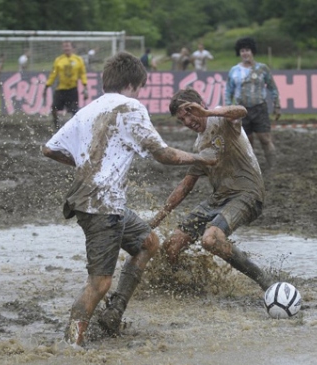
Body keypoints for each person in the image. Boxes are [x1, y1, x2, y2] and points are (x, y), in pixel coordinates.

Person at [42, 52, 216, 347]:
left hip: (102, 203)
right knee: (99, 283)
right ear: (135, 83)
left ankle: (115, 312)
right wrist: (201, 157)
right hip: (101, 206)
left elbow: (49, 149)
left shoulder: (88, 109)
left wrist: (88, 163)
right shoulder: (130, 106)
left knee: (149, 242)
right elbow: (164, 154)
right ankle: (72, 344)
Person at [100, 88, 274, 335]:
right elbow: (185, 186)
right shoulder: (199, 143)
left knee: (211, 239)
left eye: (189, 113)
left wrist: (207, 111)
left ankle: (264, 280)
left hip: (248, 193)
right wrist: (156, 221)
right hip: (219, 198)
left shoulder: (223, 120)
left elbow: (241, 111)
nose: (188, 121)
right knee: (171, 246)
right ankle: (184, 285)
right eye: (182, 119)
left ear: (200, 105)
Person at [225, 37, 280, 173]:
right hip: (241, 110)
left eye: (247, 50)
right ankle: (251, 169)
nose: (245, 53)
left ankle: (272, 167)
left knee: (265, 138)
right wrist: (228, 110)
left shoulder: (262, 69)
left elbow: (273, 88)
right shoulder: (234, 71)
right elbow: (228, 92)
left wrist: (277, 105)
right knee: (247, 142)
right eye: (242, 51)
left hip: (259, 108)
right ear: (239, 53)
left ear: (252, 51)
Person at [43, 41, 88, 130]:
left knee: (74, 110)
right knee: (54, 108)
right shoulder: (59, 60)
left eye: (68, 46)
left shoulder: (78, 60)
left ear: (72, 48)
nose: (66, 48)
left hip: (72, 89)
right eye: (65, 47)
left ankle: (73, 128)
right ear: (62, 48)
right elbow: (53, 74)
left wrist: (85, 87)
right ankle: (56, 125)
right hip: (61, 89)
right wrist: (47, 86)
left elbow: (82, 74)